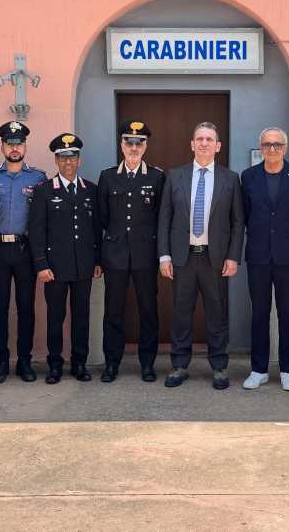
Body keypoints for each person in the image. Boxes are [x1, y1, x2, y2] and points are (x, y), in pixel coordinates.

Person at [157, 122, 245, 390]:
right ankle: (180, 365)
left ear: (218, 146)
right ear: (192, 144)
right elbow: (164, 218)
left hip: (214, 259)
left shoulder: (230, 178)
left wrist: (233, 257)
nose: (204, 143)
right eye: (199, 139)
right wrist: (164, 256)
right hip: (183, 258)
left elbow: (237, 222)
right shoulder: (175, 176)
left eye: (209, 139)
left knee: (216, 315)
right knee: (181, 313)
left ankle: (219, 367)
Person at [95, 120, 165, 383]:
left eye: (139, 143)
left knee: (148, 310)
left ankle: (147, 364)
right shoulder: (108, 176)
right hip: (115, 255)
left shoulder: (157, 177)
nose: (134, 147)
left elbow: (161, 217)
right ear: (121, 144)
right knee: (113, 311)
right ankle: (112, 363)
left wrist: (162, 255)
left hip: (146, 256)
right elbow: (101, 218)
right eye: (129, 142)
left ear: (146, 146)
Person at [241, 127, 289, 392]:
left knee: (287, 313)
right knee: (259, 313)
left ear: (285, 148)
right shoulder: (248, 177)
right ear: (260, 148)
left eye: (277, 145)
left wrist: (285, 236)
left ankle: (287, 369)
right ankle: (258, 369)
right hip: (258, 255)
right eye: (267, 145)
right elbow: (245, 215)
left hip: (288, 255)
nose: (272, 149)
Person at [29, 133, 102, 384]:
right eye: (62, 158)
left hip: (84, 266)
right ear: (56, 161)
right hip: (55, 269)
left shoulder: (91, 190)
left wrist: (97, 261)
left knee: (81, 316)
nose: (67, 162)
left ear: (79, 160)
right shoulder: (44, 191)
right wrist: (41, 265)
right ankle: (55, 364)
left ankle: (79, 363)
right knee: (55, 318)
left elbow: (97, 229)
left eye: (72, 157)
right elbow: (36, 232)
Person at [0, 121, 47, 383]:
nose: (14, 148)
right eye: (10, 144)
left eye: (19, 143)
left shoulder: (38, 178)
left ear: (25, 146)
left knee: (26, 307)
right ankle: (1, 361)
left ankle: (24, 360)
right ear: (2, 146)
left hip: (25, 249)